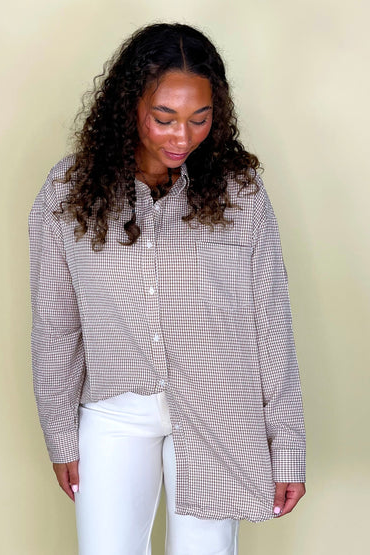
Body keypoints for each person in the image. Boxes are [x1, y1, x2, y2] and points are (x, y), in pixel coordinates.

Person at [29, 22, 306, 555]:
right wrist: (60, 433)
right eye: (164, 118)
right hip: (114, 410)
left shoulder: (240, 192)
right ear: (129, 106)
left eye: (200, 119)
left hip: (221, 407)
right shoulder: (68, 191)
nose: (183, 137)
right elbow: (56, 323)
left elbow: (270, 319)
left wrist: (287, 445)